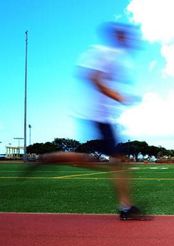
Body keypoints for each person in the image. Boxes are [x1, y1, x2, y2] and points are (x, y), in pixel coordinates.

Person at [27, 22, 149, 221]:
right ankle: (126, 208)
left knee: (100, 161)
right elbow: (92, 77)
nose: (131, 41)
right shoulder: (102, 52)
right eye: (127, 36)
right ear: (118, 36)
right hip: (97, 116)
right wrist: (117, 96)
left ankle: (51, 158)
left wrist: (117, 96)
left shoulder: (117, 58)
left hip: (101, 117)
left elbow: (98, 79)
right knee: (116, 163)